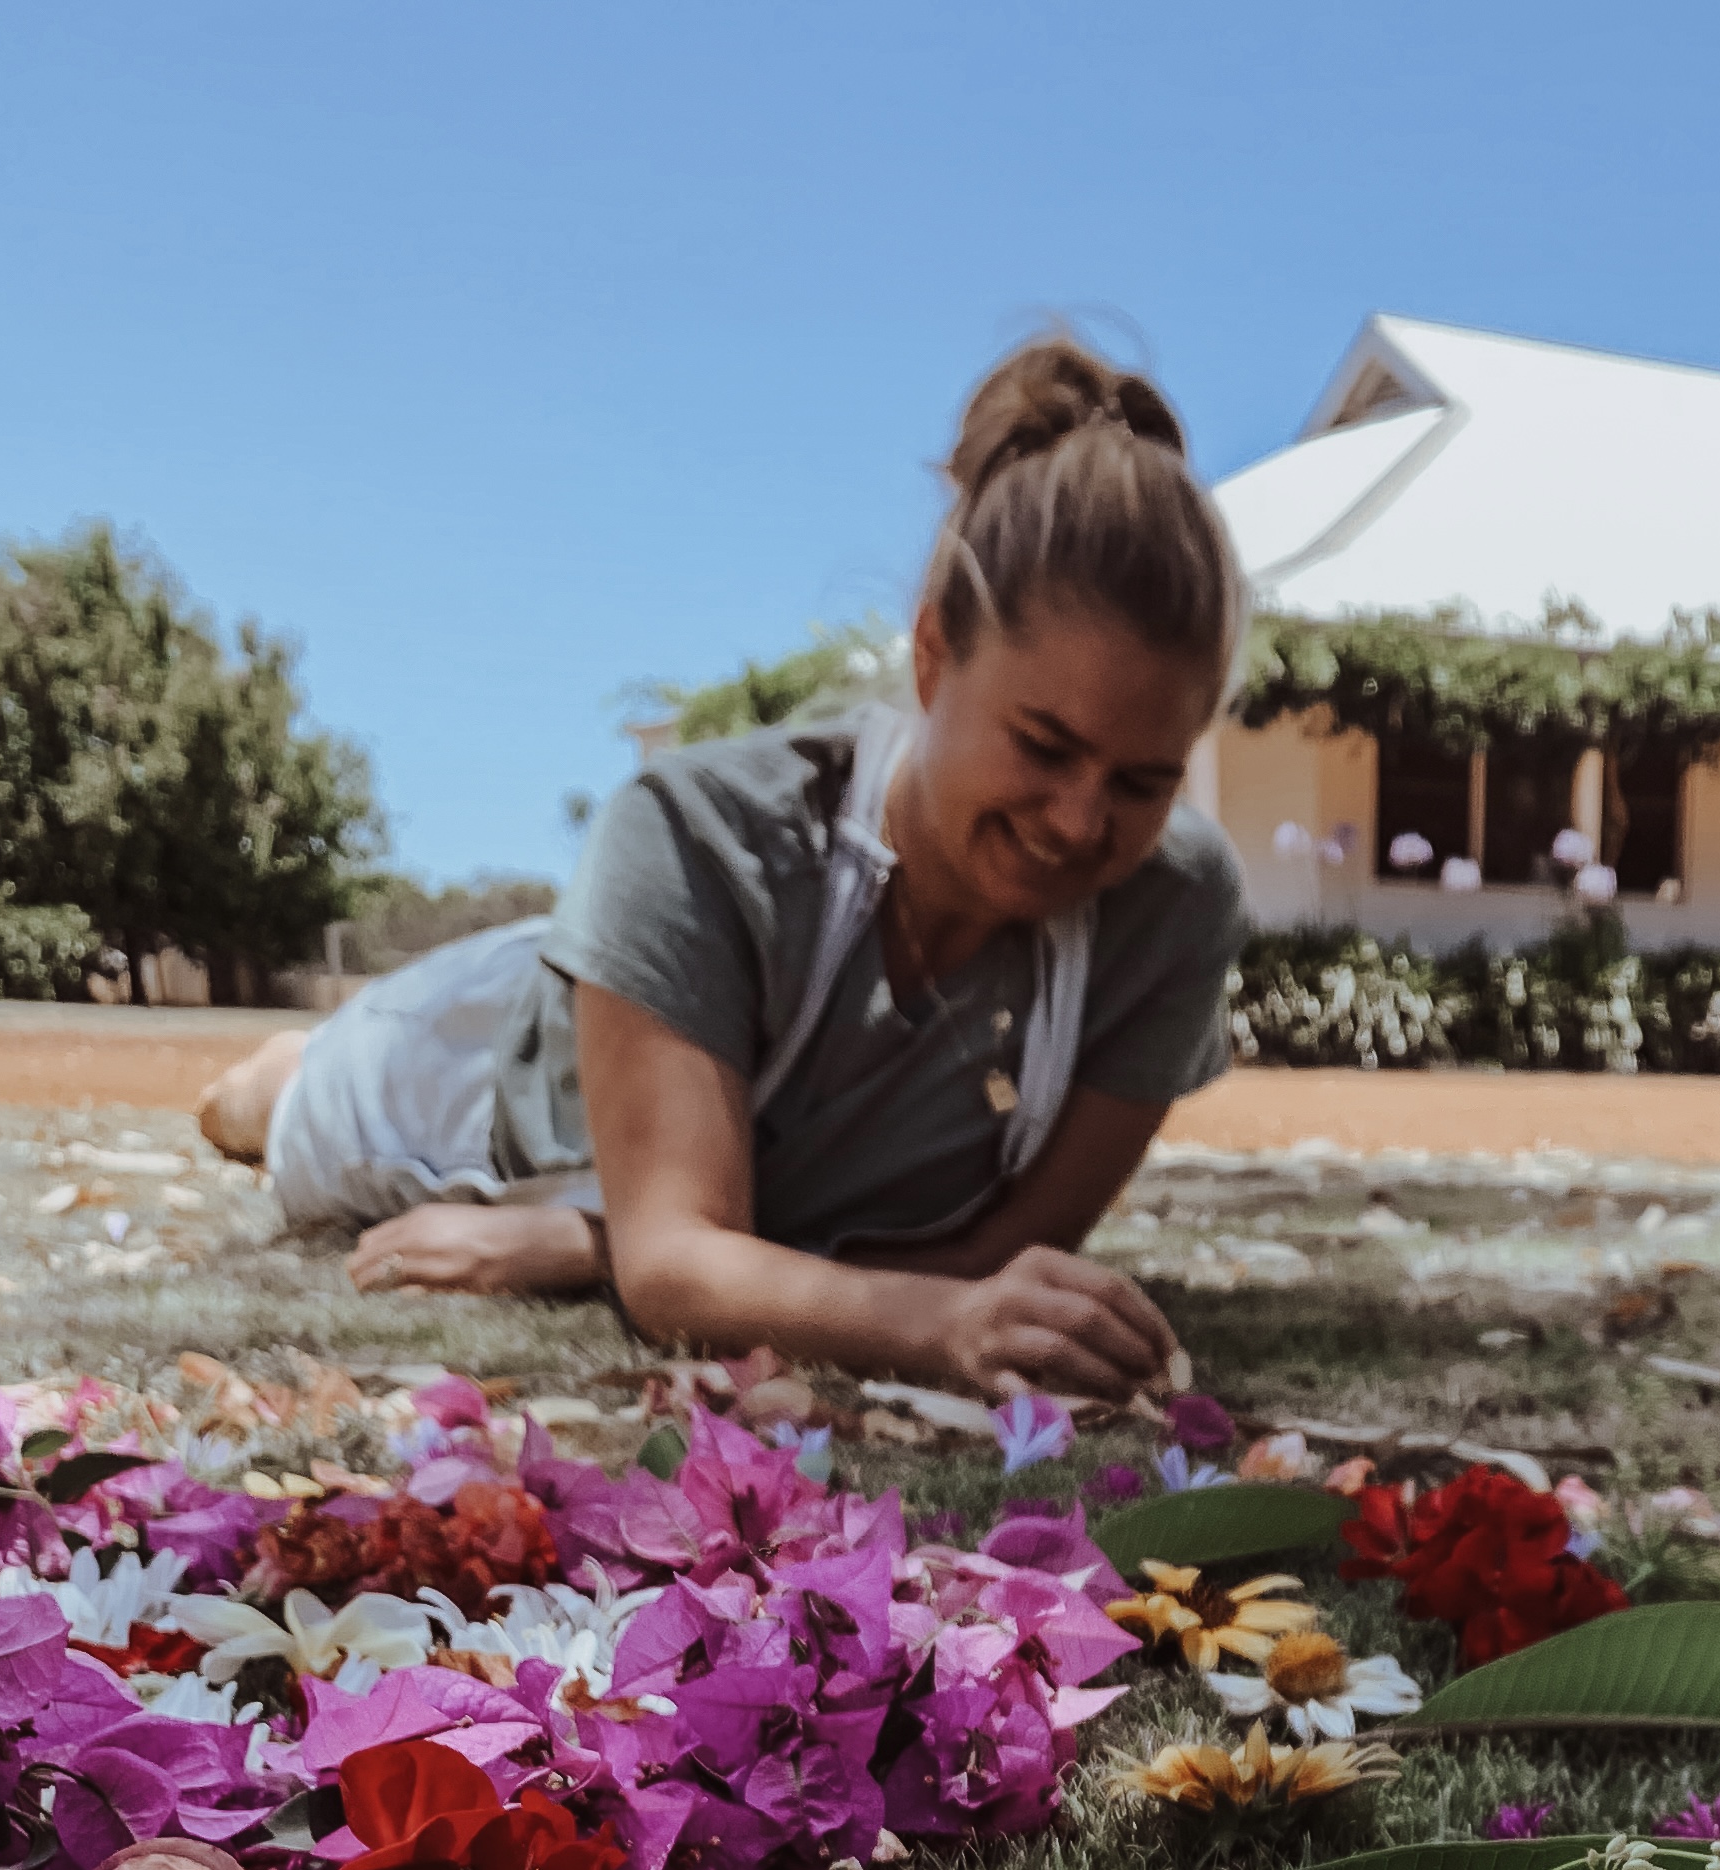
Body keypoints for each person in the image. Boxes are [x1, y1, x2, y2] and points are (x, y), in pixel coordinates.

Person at [198, 338, 1247, 1405]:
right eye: (1043, 745)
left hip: (683, 1141)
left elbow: (1008, 1248)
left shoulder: (1172, 902)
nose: (1080, 821)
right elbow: (683, 1271)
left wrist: (597, 1249)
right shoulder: (697, 833)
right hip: (484, 1086)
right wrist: (664, 1253)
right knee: (269, 1111)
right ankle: (286, 1069)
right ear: (933, 659)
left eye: (1142, 781)